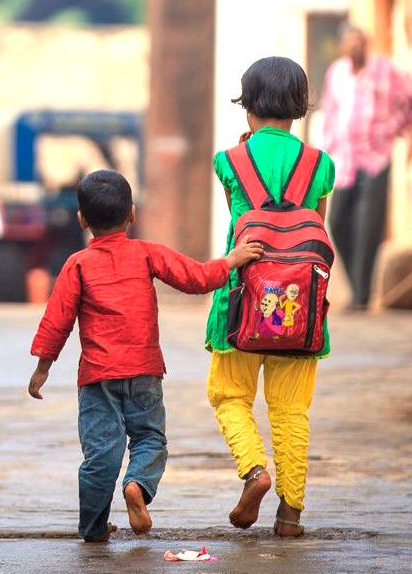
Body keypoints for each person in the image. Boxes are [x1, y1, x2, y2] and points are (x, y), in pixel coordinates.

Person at [28, 169, 263, 543]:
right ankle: (137, 484)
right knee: (150, 440)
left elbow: (57, 319)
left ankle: (92, 527)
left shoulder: (77, 264)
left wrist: (43, 366)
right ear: (132, 214)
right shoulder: (146, 254)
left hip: (97, 378)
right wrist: (232, 260)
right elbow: (196, 278)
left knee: (100, 456)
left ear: (82, 220)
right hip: (144, 373)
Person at [205, 56, 336, 537]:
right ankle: (291, 514)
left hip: (241, 303)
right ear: (300, 108)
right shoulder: (321, 165)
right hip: (301, 312)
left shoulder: (229, 161)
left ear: (248, 107)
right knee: (290, 409)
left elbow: (238, 219)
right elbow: (313, 224)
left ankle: (255, 472)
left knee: (228, 396)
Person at [320, 23, 412, 310]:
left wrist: (395, 127)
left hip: (376, 159)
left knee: (369, 227)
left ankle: (361, 296)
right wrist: (328, 146)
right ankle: (359, 288)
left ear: (365, 44)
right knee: (338, 221)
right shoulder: (337, 73)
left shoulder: (384, 70)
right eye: (349, 42)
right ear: (343, 46)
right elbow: (330, 111)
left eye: (359, 41)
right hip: (345, 161)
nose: (354, 46)